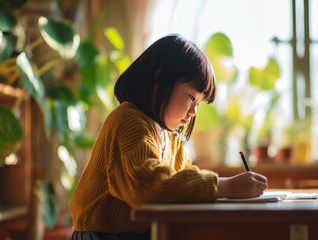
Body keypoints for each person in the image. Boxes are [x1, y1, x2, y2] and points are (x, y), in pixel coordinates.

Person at [68, 33, 268, 240]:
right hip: (103, 235)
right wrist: (227, 186)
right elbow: (150, 187)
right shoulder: (129, 120)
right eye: (191, 97)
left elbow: (181, 183)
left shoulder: (170, 138)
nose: (194, 112)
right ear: (158, 80)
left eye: (198, 103)